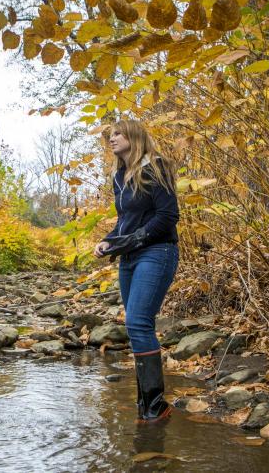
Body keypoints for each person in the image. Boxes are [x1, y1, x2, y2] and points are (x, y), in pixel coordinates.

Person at [93, 120, 179, 423]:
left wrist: (138, 238)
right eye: (110, 135)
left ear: (134, 136)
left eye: (117, 133)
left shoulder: (157, 167)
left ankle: (155, 406)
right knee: (134, 326)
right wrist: (109, 240)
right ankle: (146, 406)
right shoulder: (120, 176)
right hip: (129, 256)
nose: (112, 139)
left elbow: (169, 216)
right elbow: (126, 221)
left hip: (157, 252)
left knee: (139, 323)